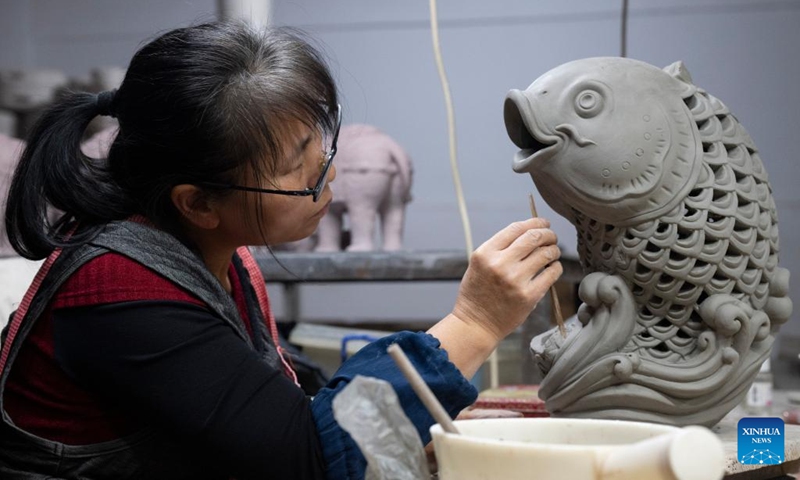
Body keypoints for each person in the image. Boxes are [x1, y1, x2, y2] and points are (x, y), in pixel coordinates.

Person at [0, 21, 562, 480]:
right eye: (301, 173)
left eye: (323, 149)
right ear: (197, 202)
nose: (331, 176)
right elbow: (308, 462)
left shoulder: (218, 252)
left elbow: (279, 396)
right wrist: (477, 320)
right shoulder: (121, 291)